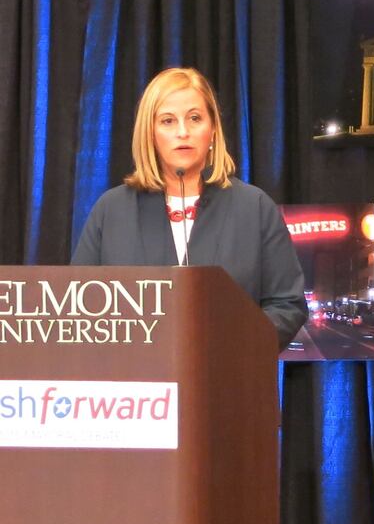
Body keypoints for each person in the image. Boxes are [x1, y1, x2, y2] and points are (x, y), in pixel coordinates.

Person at [73, 67, 308, 350]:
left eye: (194, 118)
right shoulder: (112, 210)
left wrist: (234, 341)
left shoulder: (254, 207)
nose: (182, 132)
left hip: (228, 381)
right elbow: (79, 307)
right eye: (168, 121)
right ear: (150, 133)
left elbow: (287, 305)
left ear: (212, 130)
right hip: (135, 386)